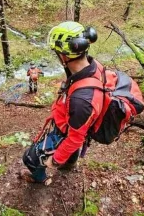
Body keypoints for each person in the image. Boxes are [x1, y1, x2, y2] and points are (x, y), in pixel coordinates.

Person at [20, 21, 101, 184]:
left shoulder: (82, 100)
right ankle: (69, 165)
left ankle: (40, 178)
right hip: (71, 122)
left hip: (64, 130)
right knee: (73, 149)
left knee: (29, 158)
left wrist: (55, 160)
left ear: (64, 55)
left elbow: (75, 138)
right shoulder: (92, 67)